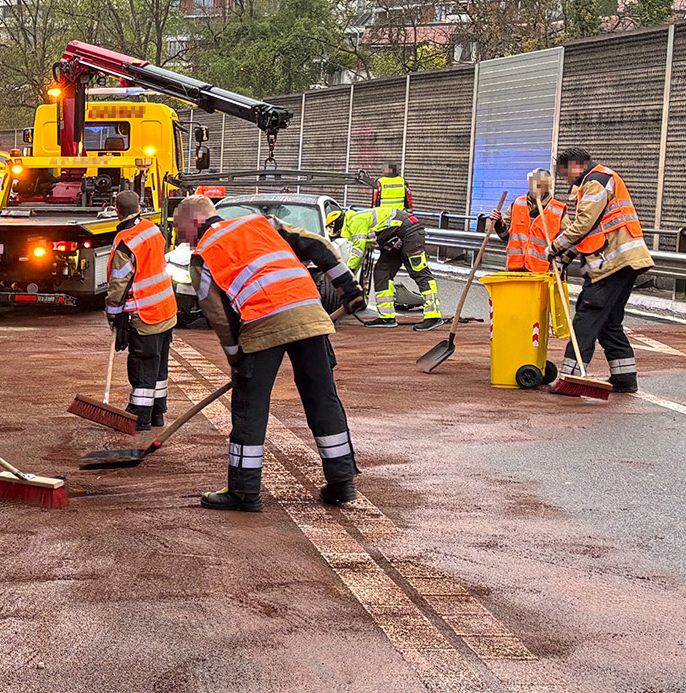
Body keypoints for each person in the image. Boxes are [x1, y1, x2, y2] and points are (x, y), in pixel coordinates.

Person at [175, 196, 365, 513]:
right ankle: (342, 483)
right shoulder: (260, 223)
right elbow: (316, 245)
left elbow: (220, 317)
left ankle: (244, 492)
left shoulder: (203, 256)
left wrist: (236, 359)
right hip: (309, 313)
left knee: (250, 405)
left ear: (195, 222)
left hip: (263, 321)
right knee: (322, 397)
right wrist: (348, 287)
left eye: (181, 227)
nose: (182, 236)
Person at [550, 148, 654, 394]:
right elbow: (586, 231)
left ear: (575, 166)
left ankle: (572, 376)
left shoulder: (596, 181)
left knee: (588, 314)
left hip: (612, 262)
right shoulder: (595, 182)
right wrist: (564, 256)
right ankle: (624, 377)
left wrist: (555, 247)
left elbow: (584, 224)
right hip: (621, 262)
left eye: (565, 174)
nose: (566, 180)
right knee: (608, 322)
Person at [104, 190, 176, 428]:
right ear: (139, 207)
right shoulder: (152, 229)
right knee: (158, 366)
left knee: (143, 365)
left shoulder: (126, 241)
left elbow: (119, 282)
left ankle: (139, 417)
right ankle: (157, 413)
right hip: (166, 309)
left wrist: (113, 314)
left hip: (144, 314)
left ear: (116, 210)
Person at [329, 205, 440, 327]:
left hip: (409, 232)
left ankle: (433, 315)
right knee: (382, 272)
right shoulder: (354, 223)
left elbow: (358, 251)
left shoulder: (355, 220)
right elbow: (362, 253)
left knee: (419, 272)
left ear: (337, 224)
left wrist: (348, 273)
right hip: (396, 238)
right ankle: (387, 316)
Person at [490, 169, 563, 273]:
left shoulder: (558, 209)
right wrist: (497, 222)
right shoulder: (517, 204)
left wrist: (559, 270)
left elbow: (567, 243)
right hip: (516, 269)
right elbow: (504, 235)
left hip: (543, 273)